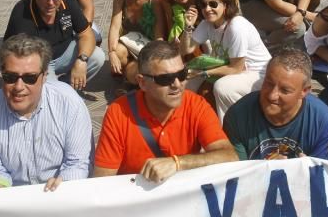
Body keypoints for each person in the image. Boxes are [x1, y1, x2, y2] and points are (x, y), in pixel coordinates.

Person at [93, 41, 238, 181]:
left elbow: (230, 157)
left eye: (182, 75)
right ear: (142, 82)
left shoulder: (196, 105)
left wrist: (177, 163)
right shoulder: (118, 114)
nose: (177, 85)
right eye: (165, 79)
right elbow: (102, 182)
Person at [0, 34, 94, 198]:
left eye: (29, 78)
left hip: (61, 195)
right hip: (13, 199)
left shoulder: (69, 104)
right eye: (10, 77)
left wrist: (63, 184)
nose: (18, 87)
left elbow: (78, 163)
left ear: (44, 77)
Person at [180, 0, 272, 118]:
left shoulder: (237, 27)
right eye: (203, 5)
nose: (207, 9)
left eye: (213, 4)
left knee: (222, 87)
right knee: (184, 78)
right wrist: (187, 27)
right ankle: (187, 118)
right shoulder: (207, 23)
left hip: (258, 75)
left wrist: (203, 73)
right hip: (234, 69)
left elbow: (236, 69)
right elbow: (185, 50)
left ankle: (231, 127)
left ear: (225, 5)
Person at [223, 48, 328, 160]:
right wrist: (265, 169)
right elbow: (236, 172)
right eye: (269, 84)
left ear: (304, 91)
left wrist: (303, 170)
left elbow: (323, 173)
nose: (272, 95)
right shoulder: (237, 116)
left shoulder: (323, 121)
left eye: (285, 90)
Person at [4, 0, 104, 91]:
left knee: (97, 56)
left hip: (65, 52)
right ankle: (58, 92)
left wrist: (81, 61)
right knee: (49, 88)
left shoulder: (67, 0)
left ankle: (65, 88)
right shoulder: (21, 13)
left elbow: (86, 34)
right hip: (37, 59)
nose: (50, 2)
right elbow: (15, 56)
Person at [108, 0, 166, 84]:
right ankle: (128, 74)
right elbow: (114, 26)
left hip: (147, 47)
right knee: (117, 52)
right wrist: (111, 52)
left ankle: (131, 76)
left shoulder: (154, 0)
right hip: (128, 43)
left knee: (135, 74)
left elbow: (159, 36)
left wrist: (153, 58)